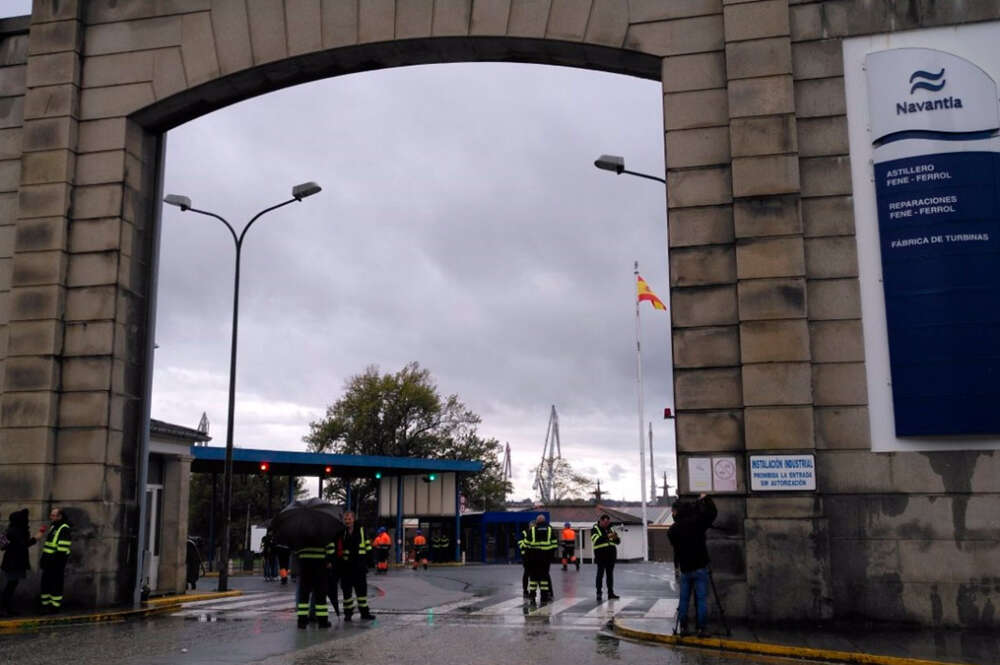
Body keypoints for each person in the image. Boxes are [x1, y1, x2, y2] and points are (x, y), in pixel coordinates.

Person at [668, 494, 717, 638]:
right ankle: (702, 629)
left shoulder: (672, 530)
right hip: (700, 566)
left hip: (685, 568)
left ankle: (683, 627)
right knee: (701, 599)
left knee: (684, 600)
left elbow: (676, 546)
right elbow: (711, 514)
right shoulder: (697, 523)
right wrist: (705, 500)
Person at [338, 511, 374, 621]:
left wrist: (370, 560)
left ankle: (365, 613)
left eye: (349, 519)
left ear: (354, 519)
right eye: (346, 519)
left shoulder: (361, 530)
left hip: (359, 565)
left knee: (361, 592)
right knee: (346, 592)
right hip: (346, 567)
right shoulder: (342, 532)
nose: (347, 521)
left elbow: (367, 545)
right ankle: (348, 614)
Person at [1, 509, 37, 616]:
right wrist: (35, 539)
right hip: (14, 563)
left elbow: (3, 545)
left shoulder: (11, 529)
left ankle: (7, 608)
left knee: (11, 585)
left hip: (11, 562)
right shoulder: (16, 531)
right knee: (11, 585)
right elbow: (24, 544)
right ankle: (7, 609)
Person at [39, 507, 71, 613]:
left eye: (53, 515)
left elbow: (62, 549)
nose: (50, 517)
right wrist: (44, 559)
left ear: (60, 516)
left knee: (56, 584)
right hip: (49, 561)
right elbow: (49, 546)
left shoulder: (64, 528)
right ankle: (45, 604)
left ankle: (54, 607)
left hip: (56, 562)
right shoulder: (54, 526)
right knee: (46, 583)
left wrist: (55, 563)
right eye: (51, 515)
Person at [294, 538, 332, 629]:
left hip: (305, 564)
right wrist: (329, 560)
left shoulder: (302, 530)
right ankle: (322, 621)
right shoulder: (323, 530)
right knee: (320, 595)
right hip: (320, 564)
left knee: (304, 595)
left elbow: (296, 548)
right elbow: (330, 548)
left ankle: (302, 621)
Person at [523, 513, 557, 605]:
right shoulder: (550, 530)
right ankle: (544, 597)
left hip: (534, 559)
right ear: (544, 521)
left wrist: (527, 558)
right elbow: (554, 544)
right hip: (545, 559)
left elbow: (526, 545)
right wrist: (550, 556)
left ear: (537, 521)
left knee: (533, 578)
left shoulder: (532, 530)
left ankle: (532, 596)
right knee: (544, 578)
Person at [591, 513, 620, 601]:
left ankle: (610, 593)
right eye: (605, 523)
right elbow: (596, 540)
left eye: (608, 523)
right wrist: (608, 536)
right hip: (601, 555)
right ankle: (599, 593)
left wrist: (612, 535)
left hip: (611, 555)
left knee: (610, 575)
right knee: (600, 574)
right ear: (601, 521)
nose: (607, 524)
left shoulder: (610, 529)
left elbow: (618, 541)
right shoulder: (595, 529)